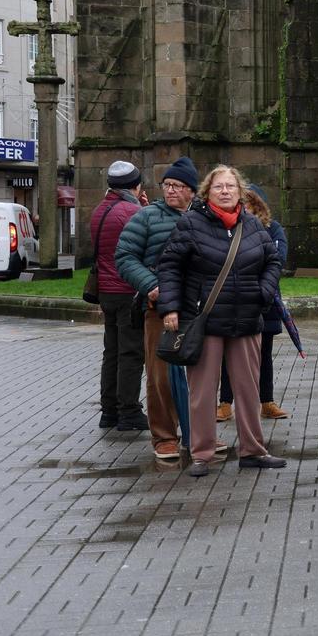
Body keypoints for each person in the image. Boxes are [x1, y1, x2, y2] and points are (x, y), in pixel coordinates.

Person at [157, 165, 285, 478]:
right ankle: (202, 454)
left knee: (248, 389)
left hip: (245, 319)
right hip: (205, 320)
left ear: (241, 193)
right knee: (202, 393)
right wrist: (170, 307)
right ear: (207, 192)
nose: (225, 191)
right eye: (218, 187)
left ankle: (253, 450)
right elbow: (170, 265)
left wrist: (263, 293)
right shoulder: (191, 223)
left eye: (230, 186)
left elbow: (273, 260)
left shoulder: (253, 225)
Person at [115, 157, 219, 459]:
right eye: (167, 185)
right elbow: (124, 257)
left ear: (193, 190)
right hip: (159, 308)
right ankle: (164, 436)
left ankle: (200, 434)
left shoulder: (206, 217)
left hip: (198, 309)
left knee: (201, 376)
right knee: (161, 376)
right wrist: (150, 285)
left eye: (178, 186)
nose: (171, 191)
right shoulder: (147, 217)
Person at [217, 185, 291, 422]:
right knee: (228, 354)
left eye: (248, 203)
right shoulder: (224, 228)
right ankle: (225, 403)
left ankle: (266, 401)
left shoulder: (272, 229)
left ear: (258, 205)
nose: (243, 208)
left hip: (262, 301)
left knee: (264, 353)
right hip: (231, 301)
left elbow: (277, 261)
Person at [91, 160, 147, 432]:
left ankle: (108, 411)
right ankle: (129, 411)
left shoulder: (100, 209)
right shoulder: (131, 211)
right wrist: (142, 208)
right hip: (127, 291)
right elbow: (146, 243)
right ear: (134, 187)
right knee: (131, 353)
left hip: (106, 291)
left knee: (111, 352)